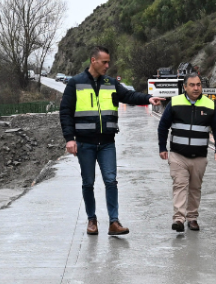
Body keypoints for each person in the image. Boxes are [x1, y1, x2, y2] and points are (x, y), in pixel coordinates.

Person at [61, 46, 163, 236]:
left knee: (111, 181)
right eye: (104, 62)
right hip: (85, 143)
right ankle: (92, 220)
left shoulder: (110, 83)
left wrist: (149, 98)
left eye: (109, 62)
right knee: (88, 183)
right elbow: (65, 112)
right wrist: (69, 139)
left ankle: (114, 222)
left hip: (107, 142)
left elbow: (129, 95)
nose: (108, 65)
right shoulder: (75, 83)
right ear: (93, 60)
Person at [157, 73, 216, 232]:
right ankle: (179, 219)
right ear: (185, 87)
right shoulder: (174, 103)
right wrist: (162, 148)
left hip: (199, 157)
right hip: (178, 155)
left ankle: (192, 218)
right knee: (180, 185)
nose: (196, 88)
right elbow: (163, 126)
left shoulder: (209, 104)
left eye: (198, 85)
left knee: (195, 188)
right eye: (192, 85)